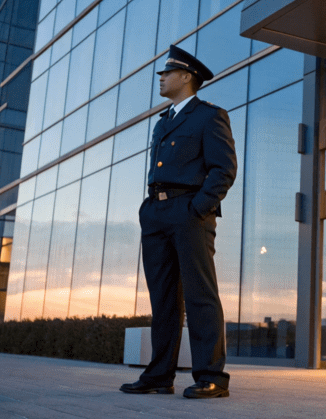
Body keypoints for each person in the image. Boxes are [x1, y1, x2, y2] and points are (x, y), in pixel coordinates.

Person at [120, 45, 236, 399]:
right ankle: (159, 376)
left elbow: (224, 168)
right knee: (164, 299)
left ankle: (211, 377)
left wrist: (197, 207)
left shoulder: (209, 116)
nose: (161, 78)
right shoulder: (163, 123)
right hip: (156, 213)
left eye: (167, 73)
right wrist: (149, 209)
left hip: (189, 212)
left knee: (200, 295)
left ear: (187, 77)